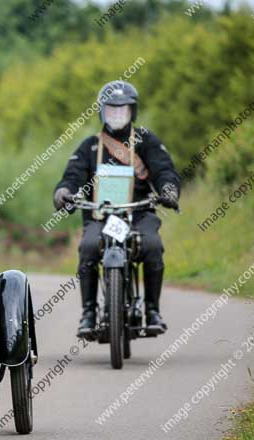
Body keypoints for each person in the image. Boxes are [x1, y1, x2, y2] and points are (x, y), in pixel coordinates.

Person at [53, 80, 180, 339]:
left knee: (153, 245)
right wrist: (64, 192)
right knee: (89, 246)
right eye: (112, 110)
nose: (117, 114)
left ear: (132, 111)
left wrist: (168, 190)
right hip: (100, 216)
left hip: (139, 213)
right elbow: (72, 176)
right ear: (102, 112)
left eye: (123, 110)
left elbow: (164, 170)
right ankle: (88, 312)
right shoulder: (89, 146)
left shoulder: (146, 141)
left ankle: (152, 310)